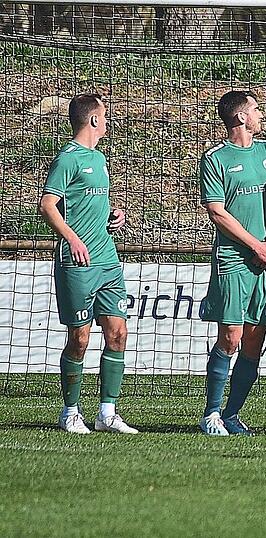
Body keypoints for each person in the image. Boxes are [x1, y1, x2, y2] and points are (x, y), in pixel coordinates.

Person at [38, 93, 137, 435]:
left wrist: (113, 214)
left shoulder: (98, 158)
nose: (107, 121)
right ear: (94, 119)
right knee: (79, 339)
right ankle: (70, 412)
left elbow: (89, 203)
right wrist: (73, 238)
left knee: (118, 333)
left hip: (107, 259)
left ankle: (107, 413)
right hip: (78, 262)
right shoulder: (68, 159)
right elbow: (47, 205)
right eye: (105, 116)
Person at [197, 90, 266, 436]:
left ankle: (232, 415)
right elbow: (217, 213)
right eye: (256, 109)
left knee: (254, 338)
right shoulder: (215, 158)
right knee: (231, 337)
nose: (261, 115)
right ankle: (211, 414)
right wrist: (254, 245)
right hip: (234, 258)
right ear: (241, 117)